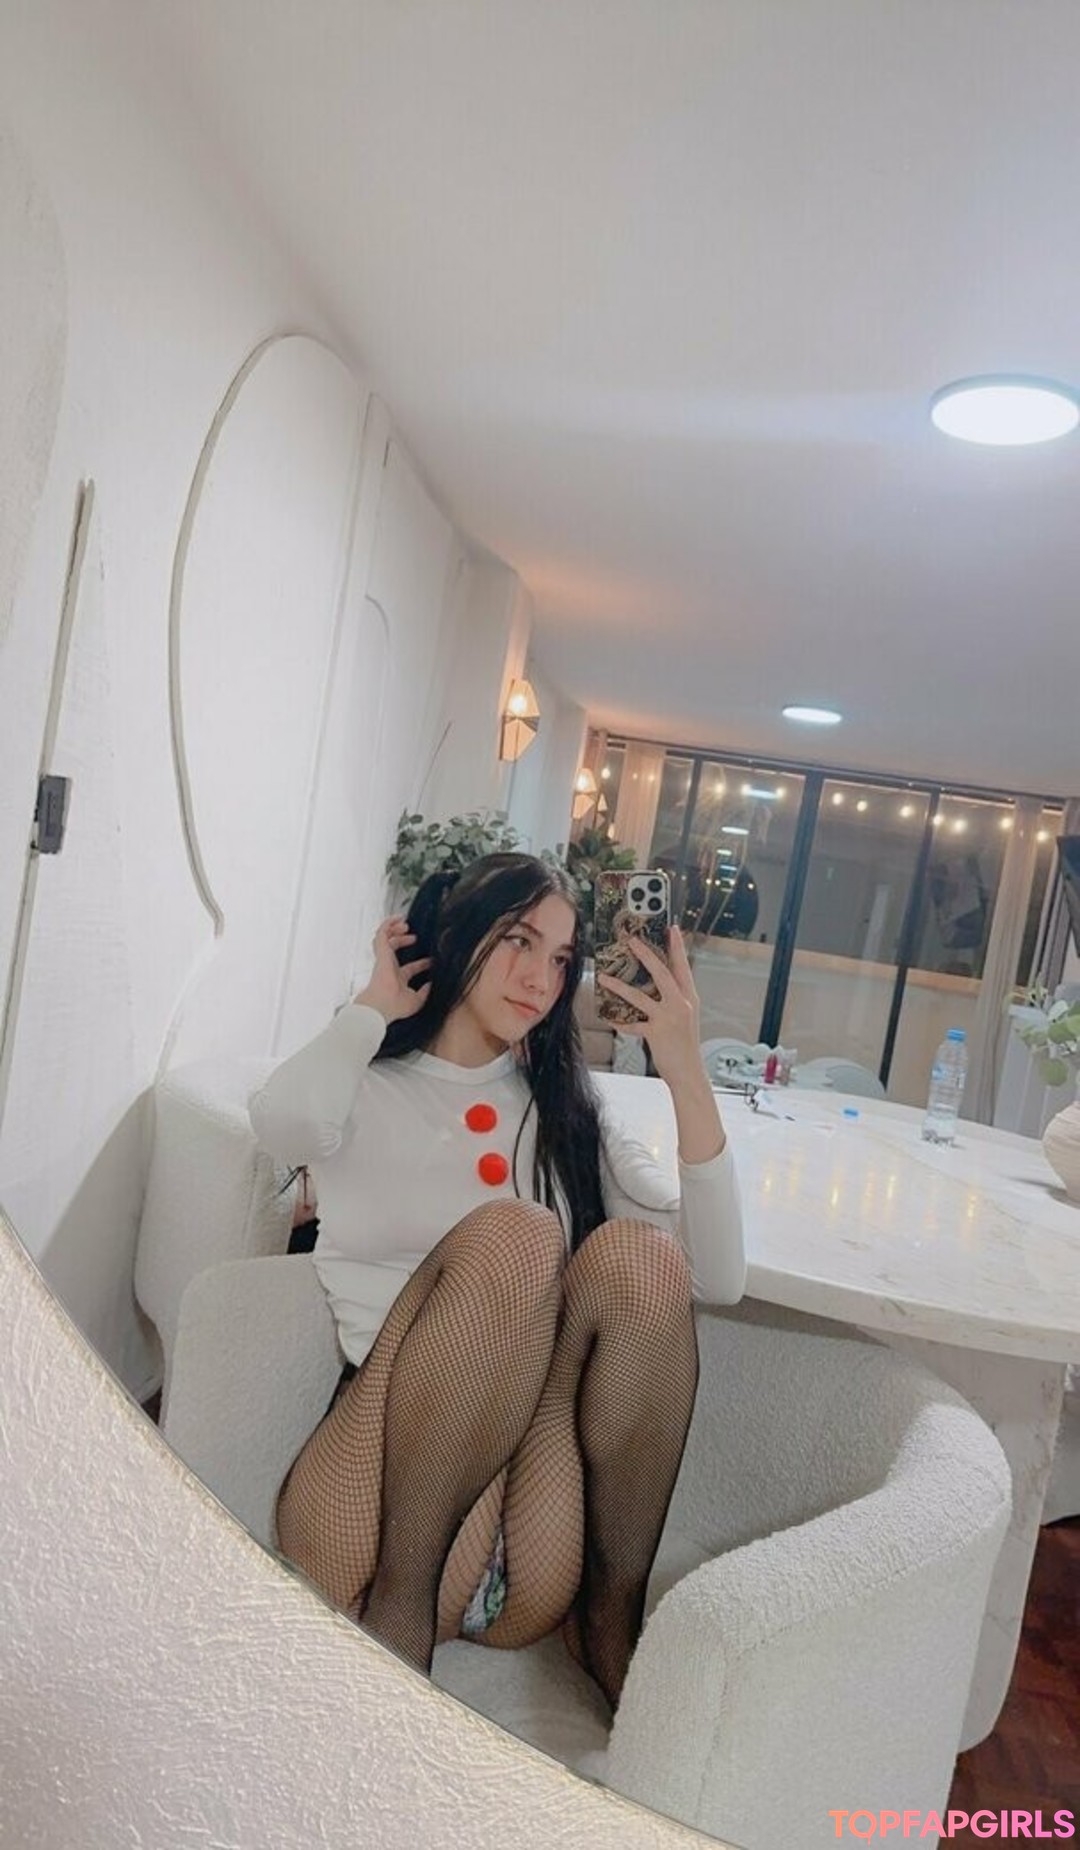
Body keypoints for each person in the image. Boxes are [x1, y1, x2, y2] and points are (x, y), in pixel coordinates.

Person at [250, 851, 745, 1710]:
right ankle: (398, 1635)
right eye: (518, 940)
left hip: (522, 1535)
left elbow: (719, 1278)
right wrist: (373, 1007)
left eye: (561, 957)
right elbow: (280, 1123)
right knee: (518, 1236)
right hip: (370, 1504)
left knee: (641, 1258)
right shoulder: (368, 1086)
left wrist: (682, 1064)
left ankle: (610, 1618)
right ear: (458, 934)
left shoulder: (566, 1114)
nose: (540, 978)